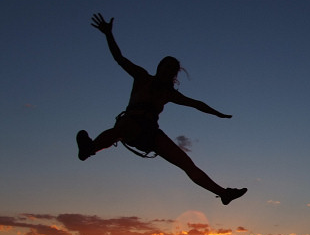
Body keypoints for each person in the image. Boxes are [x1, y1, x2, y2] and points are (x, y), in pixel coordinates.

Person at [76, 13, 247, 205]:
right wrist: (108, 34)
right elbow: (119, 58)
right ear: (159, 68)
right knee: (121, 131)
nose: (167, 71)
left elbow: (196, 104)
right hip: (131, 123)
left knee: (186, 163)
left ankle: (223, 193)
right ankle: (89, 149)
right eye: (165, 67)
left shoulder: (169, 94)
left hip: (151, 133)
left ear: (173, 74)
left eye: (171, 69)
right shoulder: (142, 77)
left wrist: (217, 113)